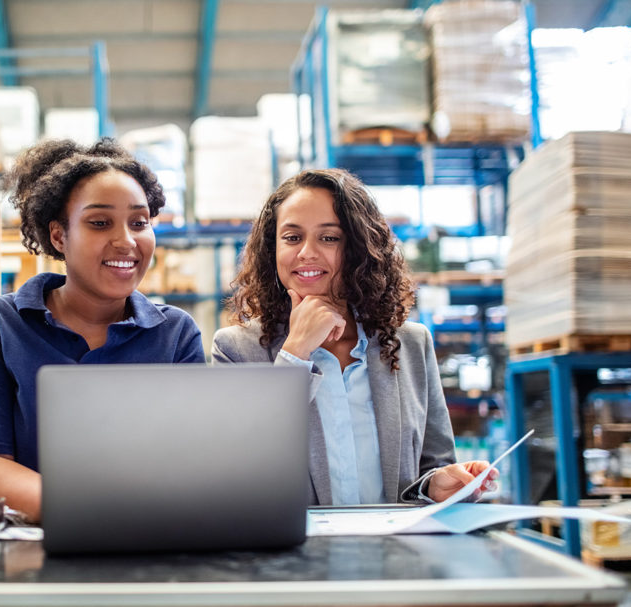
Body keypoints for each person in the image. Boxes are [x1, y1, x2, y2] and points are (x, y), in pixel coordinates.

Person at [0, 138, 205, 522]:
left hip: (151, 540)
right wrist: (81, 512)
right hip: (35, 546)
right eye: (100, 223)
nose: (126, 241)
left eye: (140, 222)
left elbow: (194, 462)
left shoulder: (176, 334)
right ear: (58, 236)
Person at [212, 168, 496, 506]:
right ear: (271, 250)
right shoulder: (235, 349)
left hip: (393, 554)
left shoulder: (410, 345)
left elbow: (435, 462)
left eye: (329, 238)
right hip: (295, 556)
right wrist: (295, 353)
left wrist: (436, 485)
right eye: (292, 237)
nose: (306, 252)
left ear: (359, 248)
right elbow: (234, 472)